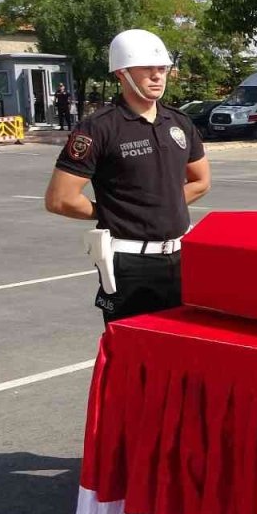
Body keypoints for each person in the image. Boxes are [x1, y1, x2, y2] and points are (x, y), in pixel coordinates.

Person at [44, 29, 210, 323]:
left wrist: (162, 203)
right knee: (131, 353)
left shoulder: (180, 122)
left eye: (162, 69)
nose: (157, 76)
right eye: (147, 68)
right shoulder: (98, 128)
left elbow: (201, 181)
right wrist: (113, 211)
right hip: (130, 263)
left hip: (182, 256)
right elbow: (60, 199)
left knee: (182, 352)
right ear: (122, 72)